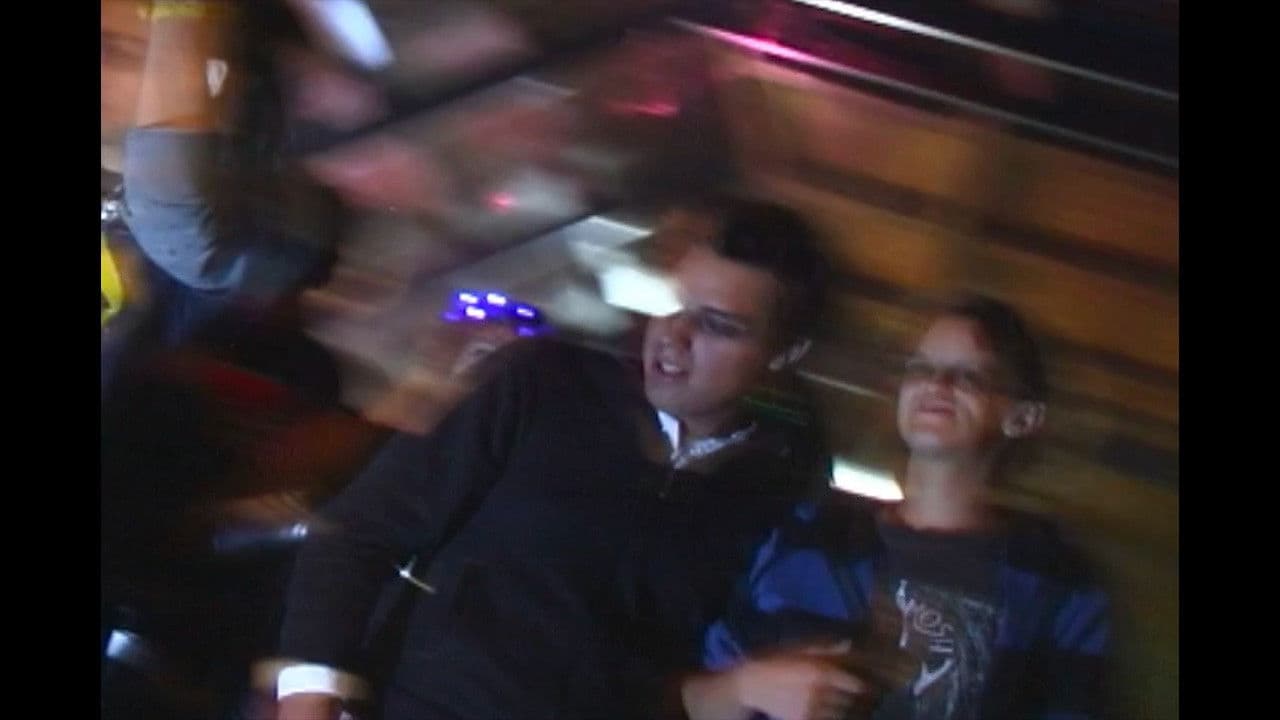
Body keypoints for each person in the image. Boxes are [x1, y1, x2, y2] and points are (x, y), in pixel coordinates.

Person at [275, 197, 834, 720]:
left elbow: (722, 674)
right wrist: (307, 700)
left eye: (716, 325)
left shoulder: (781, 488)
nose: (673, 334)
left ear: (784, 353)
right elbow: (361, 531)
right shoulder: (545, 384)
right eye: (674, 305)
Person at [683, 294, 1110, 720]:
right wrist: (748, 686)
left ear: (1023, 417)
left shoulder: (1056, 583)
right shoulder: (810, 533)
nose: (936, 384)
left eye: (970, 376)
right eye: (921, 368)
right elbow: (696, 703)